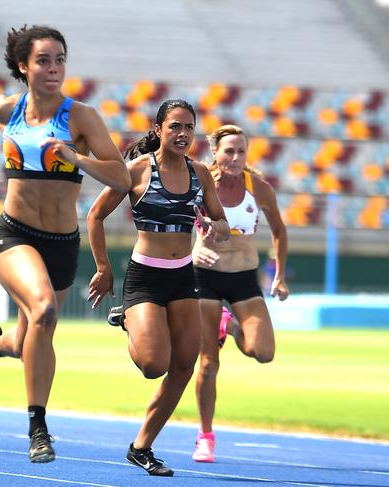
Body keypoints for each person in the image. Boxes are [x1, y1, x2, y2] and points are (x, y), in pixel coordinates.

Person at [0, 25, 130, 463]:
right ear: (24, 66)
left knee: (27, 342)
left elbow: (122, 177)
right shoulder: (10, 109)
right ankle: (38, 428)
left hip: (62, 243)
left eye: (60, 59)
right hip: (13, 235)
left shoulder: (82, 118)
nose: (54, 68)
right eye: (44, 60)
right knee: (44, 310)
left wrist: (76, 157)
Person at [86, 99, 229, 476]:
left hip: (183, 277)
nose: (182, 134)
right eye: (175, 127)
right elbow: (95, 215)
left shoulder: (201, 173)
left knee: (183, 365)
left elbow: (222, 221)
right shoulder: (136, 170)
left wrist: (218, 229)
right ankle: (129, 320)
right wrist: (103, 268)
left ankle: (142, 447)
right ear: (159, 129)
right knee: (153, 365)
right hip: (145, 276)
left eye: (189, 127)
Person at [191, 124, 289, 463]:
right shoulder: (200, 184)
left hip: (244, 280)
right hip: (205, 279)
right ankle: (205, 436)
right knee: (208, 363)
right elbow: (174, 226)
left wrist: (278, 275)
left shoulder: (258, 189)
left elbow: (279, 230)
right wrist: (191, 253)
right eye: (228, 151)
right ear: (215, 152)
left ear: (247, 155)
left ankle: (230, 326)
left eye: (241, 151)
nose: (234, 157)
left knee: (263, 352)